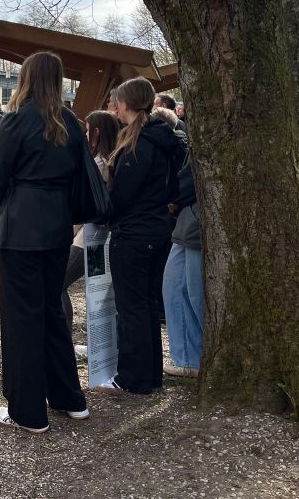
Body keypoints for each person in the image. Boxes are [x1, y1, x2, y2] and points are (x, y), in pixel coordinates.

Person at [0, 51, 89, 433]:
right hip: (57, 226)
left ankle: (28, 412)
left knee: (22, 318)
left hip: (22, 227)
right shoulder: (70, 123)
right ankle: (68, 399)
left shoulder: (15, 121)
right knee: (50, 311)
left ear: (27, 79)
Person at [97, 77, 188, 395]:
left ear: (125, 104)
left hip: (134, 234)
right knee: (147, 306)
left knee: (133, 307)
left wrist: (100, 210)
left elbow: (121, 196)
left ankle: (133, 379)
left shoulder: (139, 144)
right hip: (159, 230)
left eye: (117, 102)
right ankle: (149, 376)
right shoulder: (167, 139)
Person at [61, 110, 119, 333]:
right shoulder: (111, 159)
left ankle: (63, 333)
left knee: (59, 281)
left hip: (91, 236)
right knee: (100, 293)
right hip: (94, 235)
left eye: (87, 131)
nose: (84, 135)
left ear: (96, 133)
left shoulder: (100, 164)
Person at [163, 155, 203, 378]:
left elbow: (191, 178)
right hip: (187, 221)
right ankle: (188, 358)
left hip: (195, 219)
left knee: (193, 292)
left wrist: (174, 198)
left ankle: (193, 357)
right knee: (175, 288)